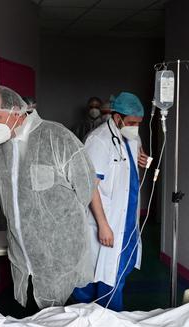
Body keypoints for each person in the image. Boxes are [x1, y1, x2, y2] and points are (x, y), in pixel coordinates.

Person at [0, 85, 96, 313]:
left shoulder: (56, 137)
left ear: (16, 111)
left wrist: (56, 224)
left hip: (60, 255)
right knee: (31, 324)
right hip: (23, 257)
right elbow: (5, 188)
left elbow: (86, 187)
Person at [72, 92, 149, 311]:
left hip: (127, 220)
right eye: (132, 123)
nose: (135, 128)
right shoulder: (98, 140)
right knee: (94, 279)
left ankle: (107, 322)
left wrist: (142, 161)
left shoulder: (133, 137)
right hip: (104, 221)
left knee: (116, 273)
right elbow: (90, 186)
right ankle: (93, 321)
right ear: (117, 118)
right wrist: (103, 225)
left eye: (138, 124)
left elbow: (128, 174)